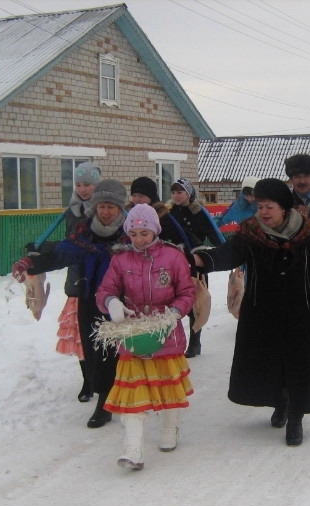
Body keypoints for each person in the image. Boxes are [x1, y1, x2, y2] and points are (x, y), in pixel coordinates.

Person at [191, 178, 310, 447]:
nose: (264, 212)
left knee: (299, 365)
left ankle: (295, 415)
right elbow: (227, 254)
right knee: (270, 361)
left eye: (269, 206)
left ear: (284, 207)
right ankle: (280, 402)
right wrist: (200, 260)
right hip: (263, 311)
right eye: (260, 206)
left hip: (303, 311)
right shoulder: (251, 233)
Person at [12, 179, 130, 428]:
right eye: (102, 206)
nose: (106, 212)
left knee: (113, 351)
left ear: (120, 208)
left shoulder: (132, 232)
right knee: (92, 350)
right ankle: (104, 394)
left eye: (111, 207)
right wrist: (33, 263)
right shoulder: (84, 232)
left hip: (122, 301)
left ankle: (109, 400)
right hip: (89, 296)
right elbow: (63, 253)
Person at [95, 204, 196, 471]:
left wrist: (174, 313)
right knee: (132, 392)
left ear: (155, 231)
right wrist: (111, 302)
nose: (139, 239)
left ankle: (169, 427)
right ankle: (133, 449)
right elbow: (105, 289)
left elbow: (187, 292)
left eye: (145, 233)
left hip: (165, 335)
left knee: (168, 386)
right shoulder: (120, 260)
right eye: (134, 233)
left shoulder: (173, 257)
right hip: (134, 336)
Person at [54, 161, 101, 403]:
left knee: (101, 333)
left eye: (88, 184)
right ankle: (88, 380)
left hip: (101, 279)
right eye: (79, 185)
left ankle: (102, 378)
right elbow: (68, 244)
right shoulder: (71, 211)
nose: (83, 189)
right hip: (78, 278)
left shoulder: (106, 209)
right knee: (80, 334)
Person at [168, 177, 225, 357]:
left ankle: (194, 342)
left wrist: (224, 253)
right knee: (173, 301)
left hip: (196, 262)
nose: (176, 196)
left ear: (189, 193)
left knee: (196, 302)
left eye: (180, 192)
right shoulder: (169, 214)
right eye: (174, 192)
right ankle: (173, 342)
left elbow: (213, 234)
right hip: (175, 263)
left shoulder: (200, 212)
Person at [127, 176, 197, 250]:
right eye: (134, 196)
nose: (137, 200)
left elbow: (182, 238)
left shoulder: (163, 218)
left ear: (152, 197)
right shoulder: (127, 216)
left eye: (141, 196)